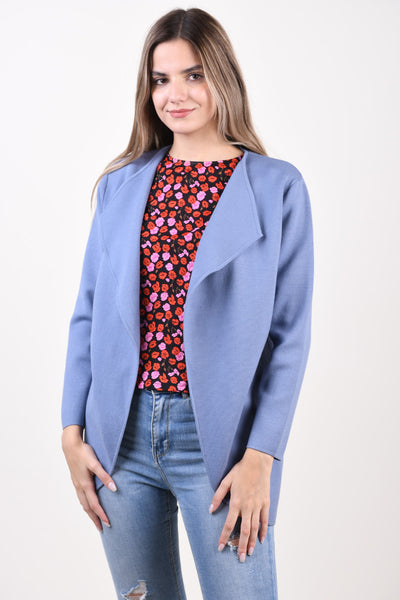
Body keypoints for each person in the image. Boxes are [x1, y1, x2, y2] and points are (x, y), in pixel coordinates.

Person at [61, 7, 314, 600]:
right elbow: (88, 312)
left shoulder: (277, 186)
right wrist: (71, 432)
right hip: (119, 440)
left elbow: (289, 336)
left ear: (223, 77)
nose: (174, 95)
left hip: (220, 447)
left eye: (193, 75)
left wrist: (262, 456)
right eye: (161, 79)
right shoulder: (121, 185)